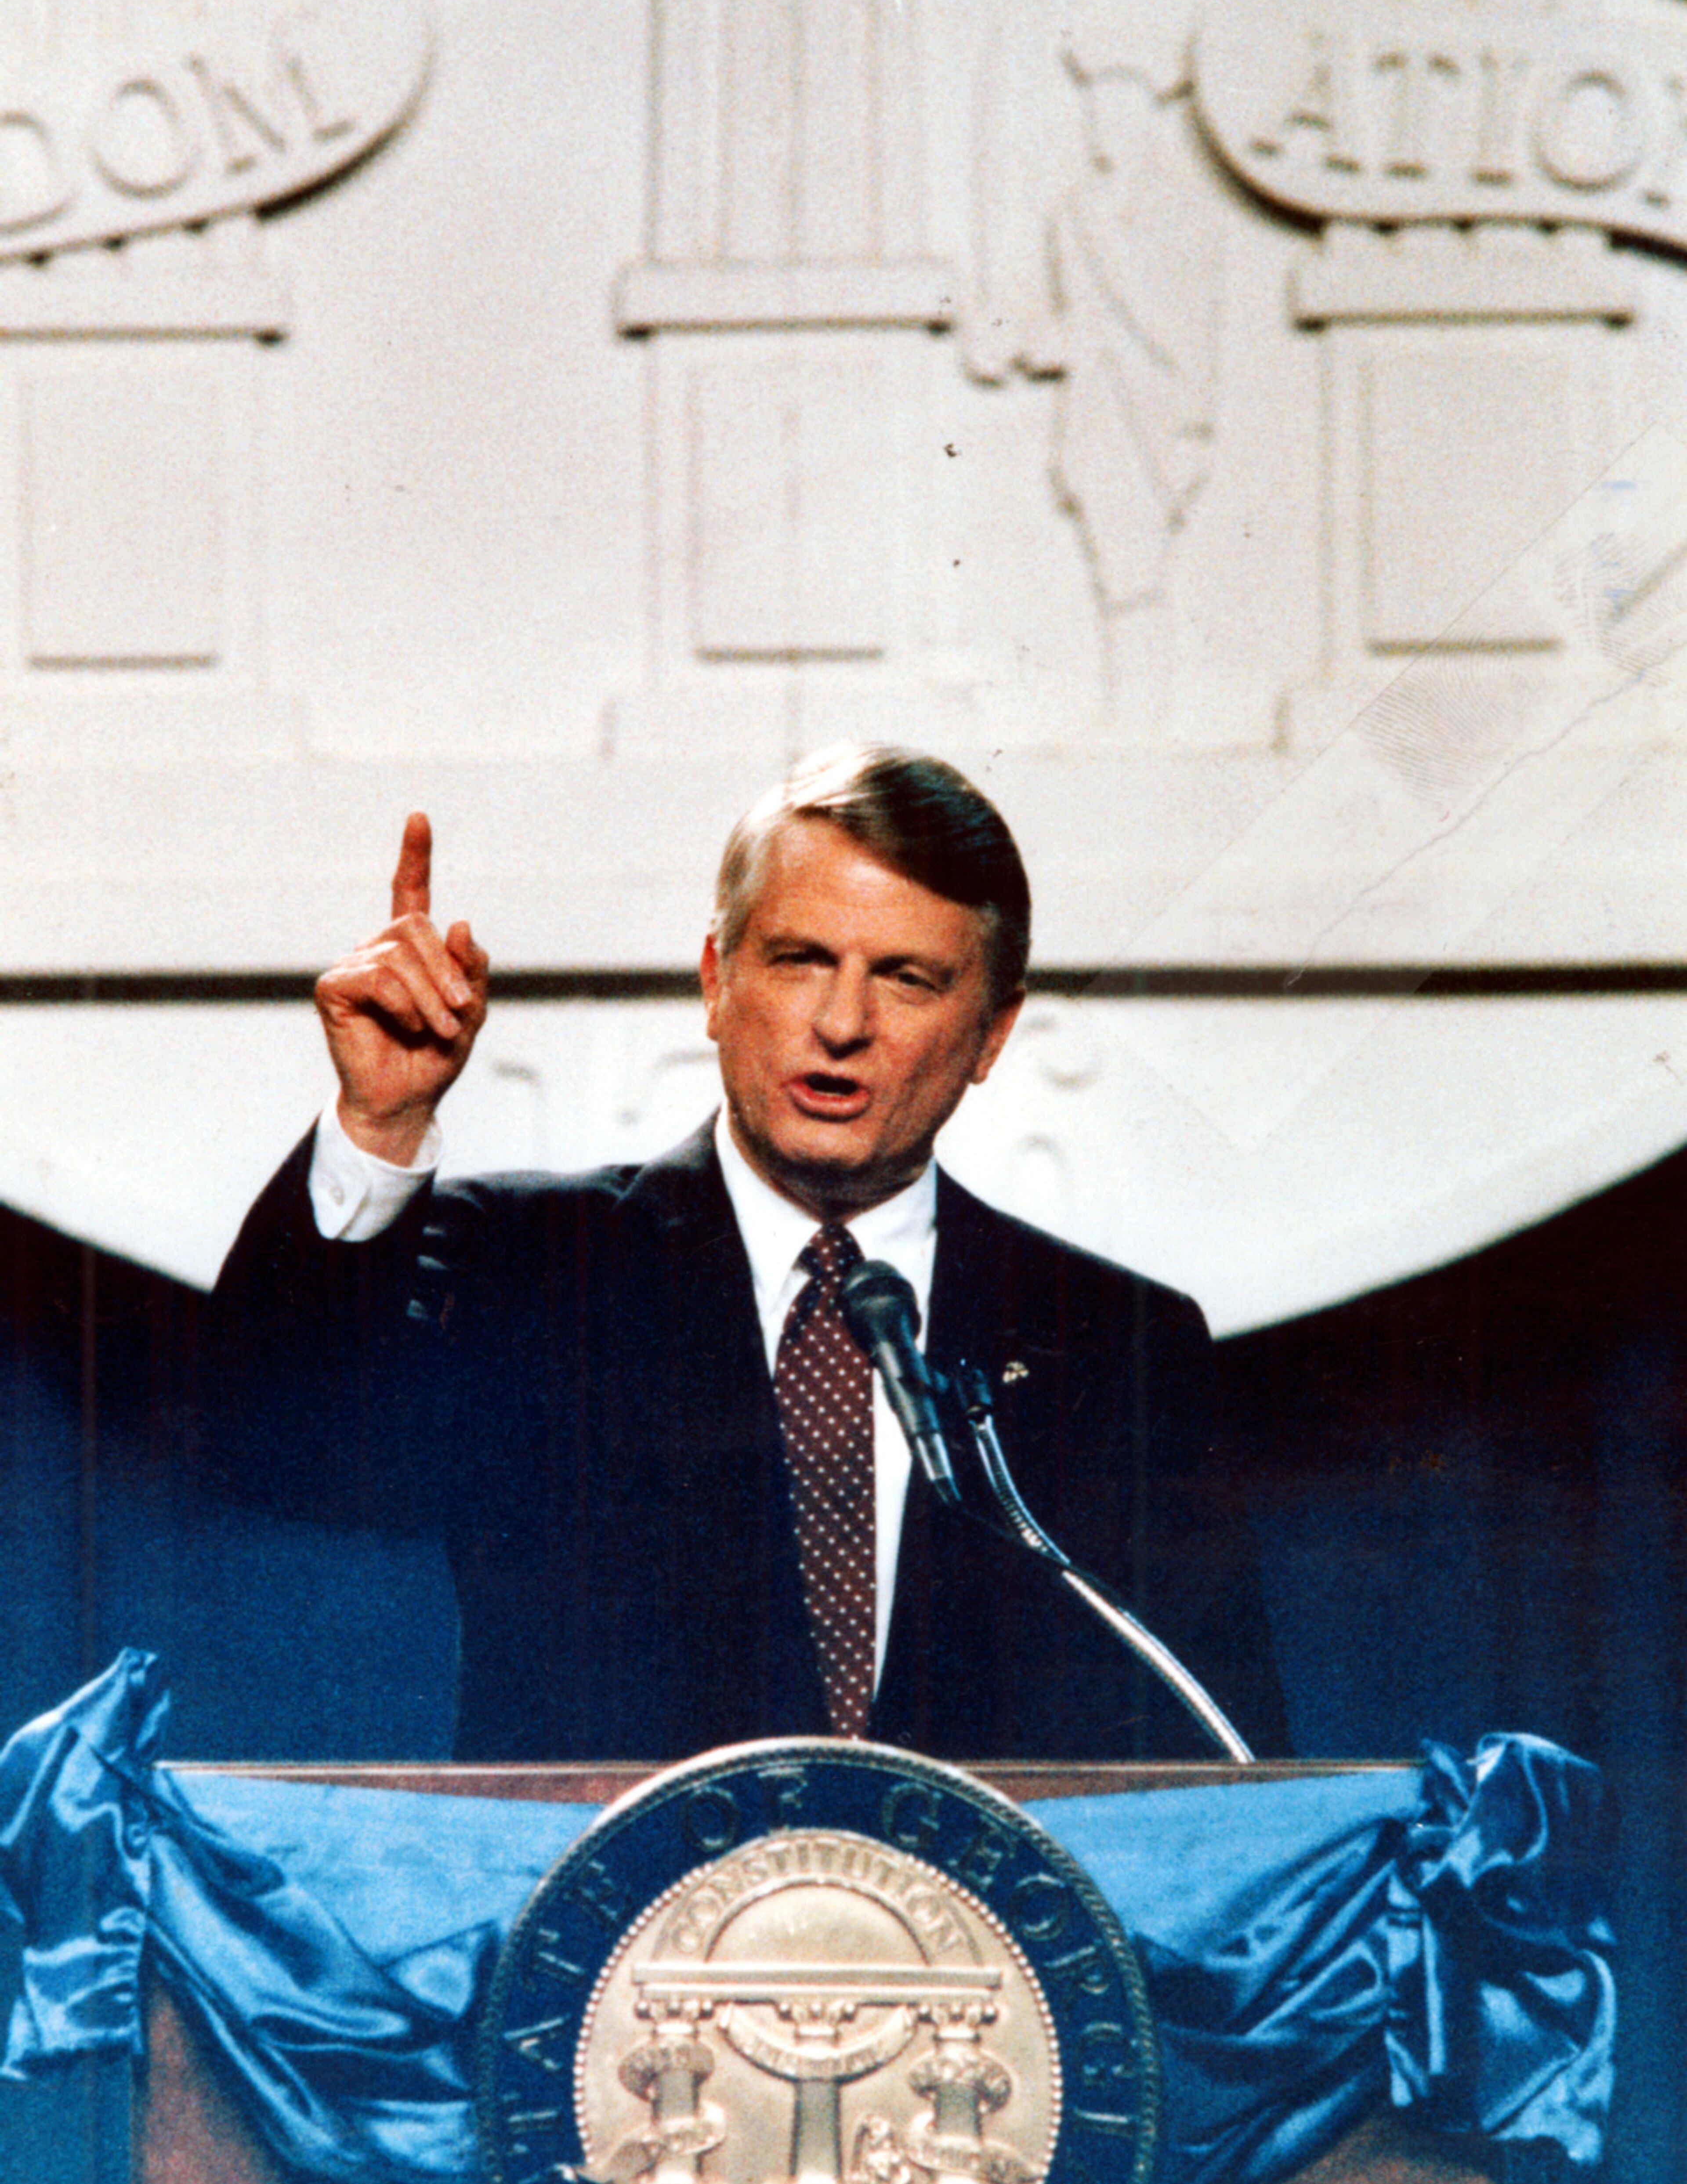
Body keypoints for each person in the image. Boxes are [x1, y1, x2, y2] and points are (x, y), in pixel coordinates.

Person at [211, 743, 1285, 1762]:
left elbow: (1228, 1777)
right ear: (717, 980)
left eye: (907, 977)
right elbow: (279, 1445)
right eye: (801, 959)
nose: (842, 1021)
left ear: (993, 1033)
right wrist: (380, 1122)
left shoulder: (1118, 1343)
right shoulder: (529, 1265)